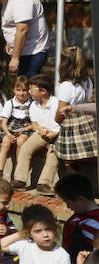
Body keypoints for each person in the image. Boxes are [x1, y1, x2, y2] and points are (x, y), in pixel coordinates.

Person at [15, 73, 61, 196]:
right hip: (42, 134)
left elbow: (63, 123)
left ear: (43, 91)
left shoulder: (56, 103)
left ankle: (43, 184)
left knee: (53, 155)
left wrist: (54, 133)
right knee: (26, 147)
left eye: (32, 89)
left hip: (58, 134)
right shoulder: (34, 105)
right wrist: (39, 129)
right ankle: (20, 180)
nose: (29, 92)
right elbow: (34, 123)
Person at [54, 46, 97, 174]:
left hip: (71, 125)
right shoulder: (88, 81)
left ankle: (73, 185)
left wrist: (56, 120)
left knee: (66, 158)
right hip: (87, 122)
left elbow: (61, 111)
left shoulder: (66, 86)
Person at [0, 75, 33, 188]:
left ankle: (18, 174)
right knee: (5, 143)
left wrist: (23, 130)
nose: (21, 93)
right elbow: (3, 123)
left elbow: (33, 124)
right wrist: (8, 134)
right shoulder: (10, 103)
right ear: (13, 90)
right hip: (11, 129)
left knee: (21, 141)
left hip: (26, 129)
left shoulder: (32, 104)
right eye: (18, 90)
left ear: (29, 91)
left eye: (24, 90)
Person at [56, 174, 99, 262]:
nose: (68, 207)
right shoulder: (79, 216)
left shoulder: (89, 223)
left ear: (81, 199)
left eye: (68, 202)